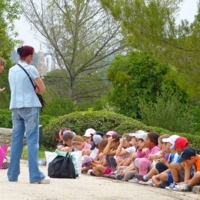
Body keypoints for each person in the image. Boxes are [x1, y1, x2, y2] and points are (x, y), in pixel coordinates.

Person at [7, 46, 50, 184]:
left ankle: (12, 174)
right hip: (30, 105)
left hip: (15, 106)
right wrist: (36, 88)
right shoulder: (31, 69)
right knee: (32, 141)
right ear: (30, 56)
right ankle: (35, 174)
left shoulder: (12, 70)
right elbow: (42, 88)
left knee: (16, 140)